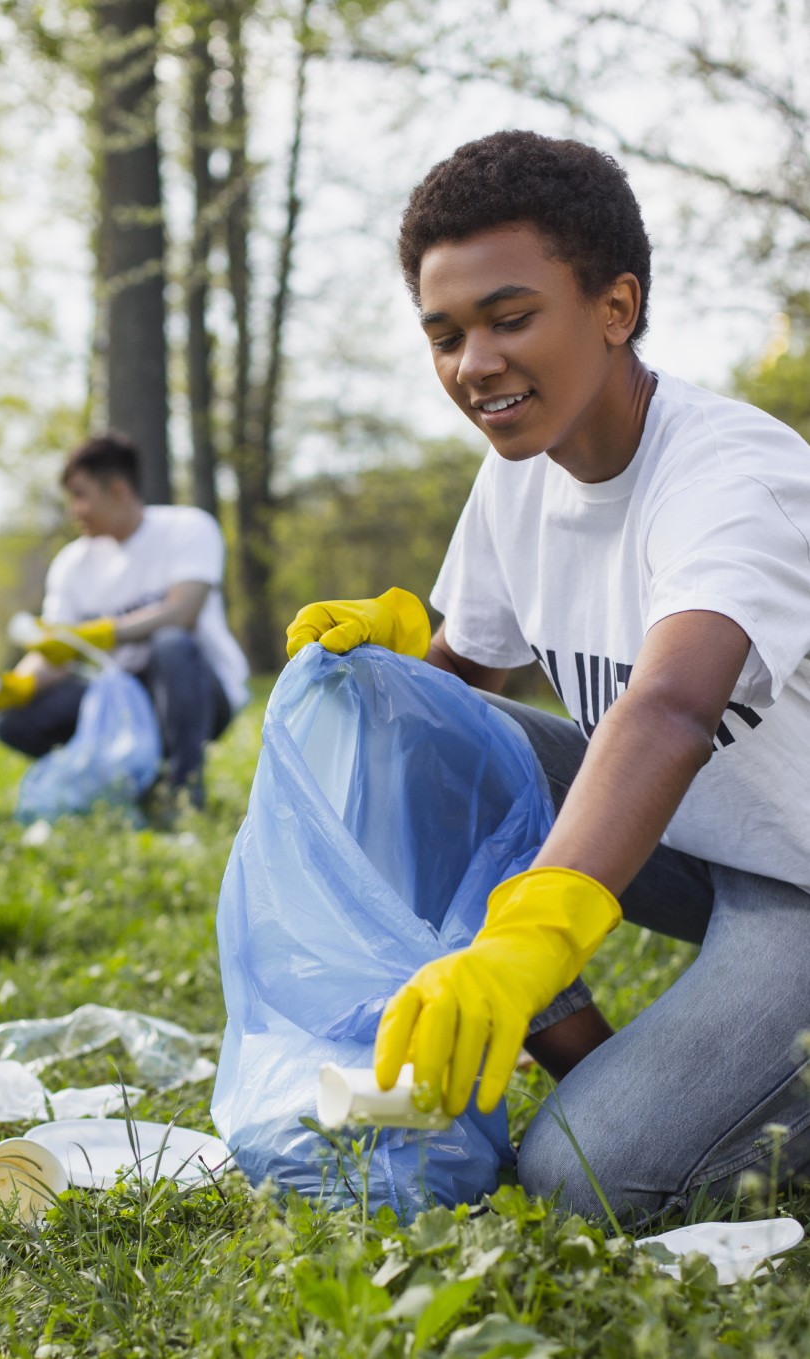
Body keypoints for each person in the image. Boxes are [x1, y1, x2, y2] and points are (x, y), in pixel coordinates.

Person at [286, 129, 810, 1225]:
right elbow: (447, 709)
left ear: (613, 308)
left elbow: (667, 708)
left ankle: (680, 1102)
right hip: (692, 843)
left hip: (796, 877)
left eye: (508, 318)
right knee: (393, 722)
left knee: (580, 1178)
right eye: (444, 334)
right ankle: (594, 1064)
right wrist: (388, 662)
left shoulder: (731, 476)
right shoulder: (517, 477)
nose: (472, 363)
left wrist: (527, 936)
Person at [0, 432, 250, 807]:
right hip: (118, 699)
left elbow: (183, 613)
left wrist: (103, 634)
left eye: (81, 495)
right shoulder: (72, 564)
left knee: (171, 642)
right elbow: (58, 650)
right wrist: (19, 684)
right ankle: (116, 784)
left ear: (119, 490)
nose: (74, 509)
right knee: (11, 721)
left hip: (195, 690)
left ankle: (184, 790)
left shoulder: (188, 529)